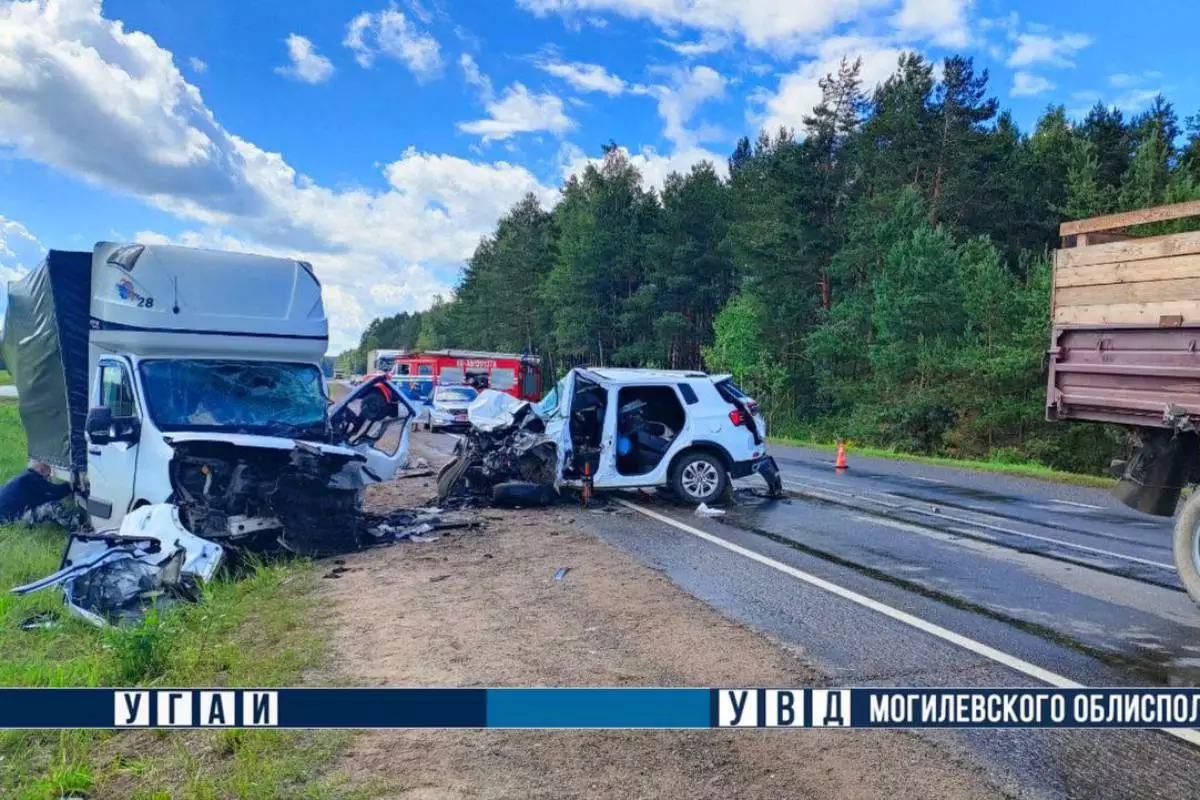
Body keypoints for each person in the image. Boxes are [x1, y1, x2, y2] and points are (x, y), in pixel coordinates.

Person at [0, 459, 72, 524]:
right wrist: (72, 484)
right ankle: (75, 523)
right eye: (47, 475)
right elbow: (57, 491)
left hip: (5, 512)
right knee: (51, 507)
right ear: (41, 471)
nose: (47, 478)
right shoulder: (33, 478)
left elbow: (40, 499)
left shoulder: (24, 476)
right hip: (8, 518)